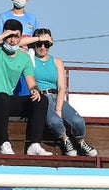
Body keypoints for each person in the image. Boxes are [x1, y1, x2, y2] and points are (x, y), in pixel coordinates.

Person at [0, 19, 49, 155]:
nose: (12, 40)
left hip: (5, 102)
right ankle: (4, 144)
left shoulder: (24, 58)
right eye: (9, 36)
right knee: (3, 97)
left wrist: (35, 90)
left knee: (42, 99)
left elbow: (31, 82)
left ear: (21, 37)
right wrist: (0, 37)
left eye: (16, 36)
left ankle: (34, 144)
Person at [29, 28, 97, 157]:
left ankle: (80, 141)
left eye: (46, 44)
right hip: (41, 97)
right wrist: (38, 39)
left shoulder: (56, 61)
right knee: (54, 122)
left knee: (78, 121)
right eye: (40, 44)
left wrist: (59, 108)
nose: (43, 47)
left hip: (56, 95)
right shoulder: (30, 58)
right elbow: (17, 44)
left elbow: (61, 87)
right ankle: (65, 139)